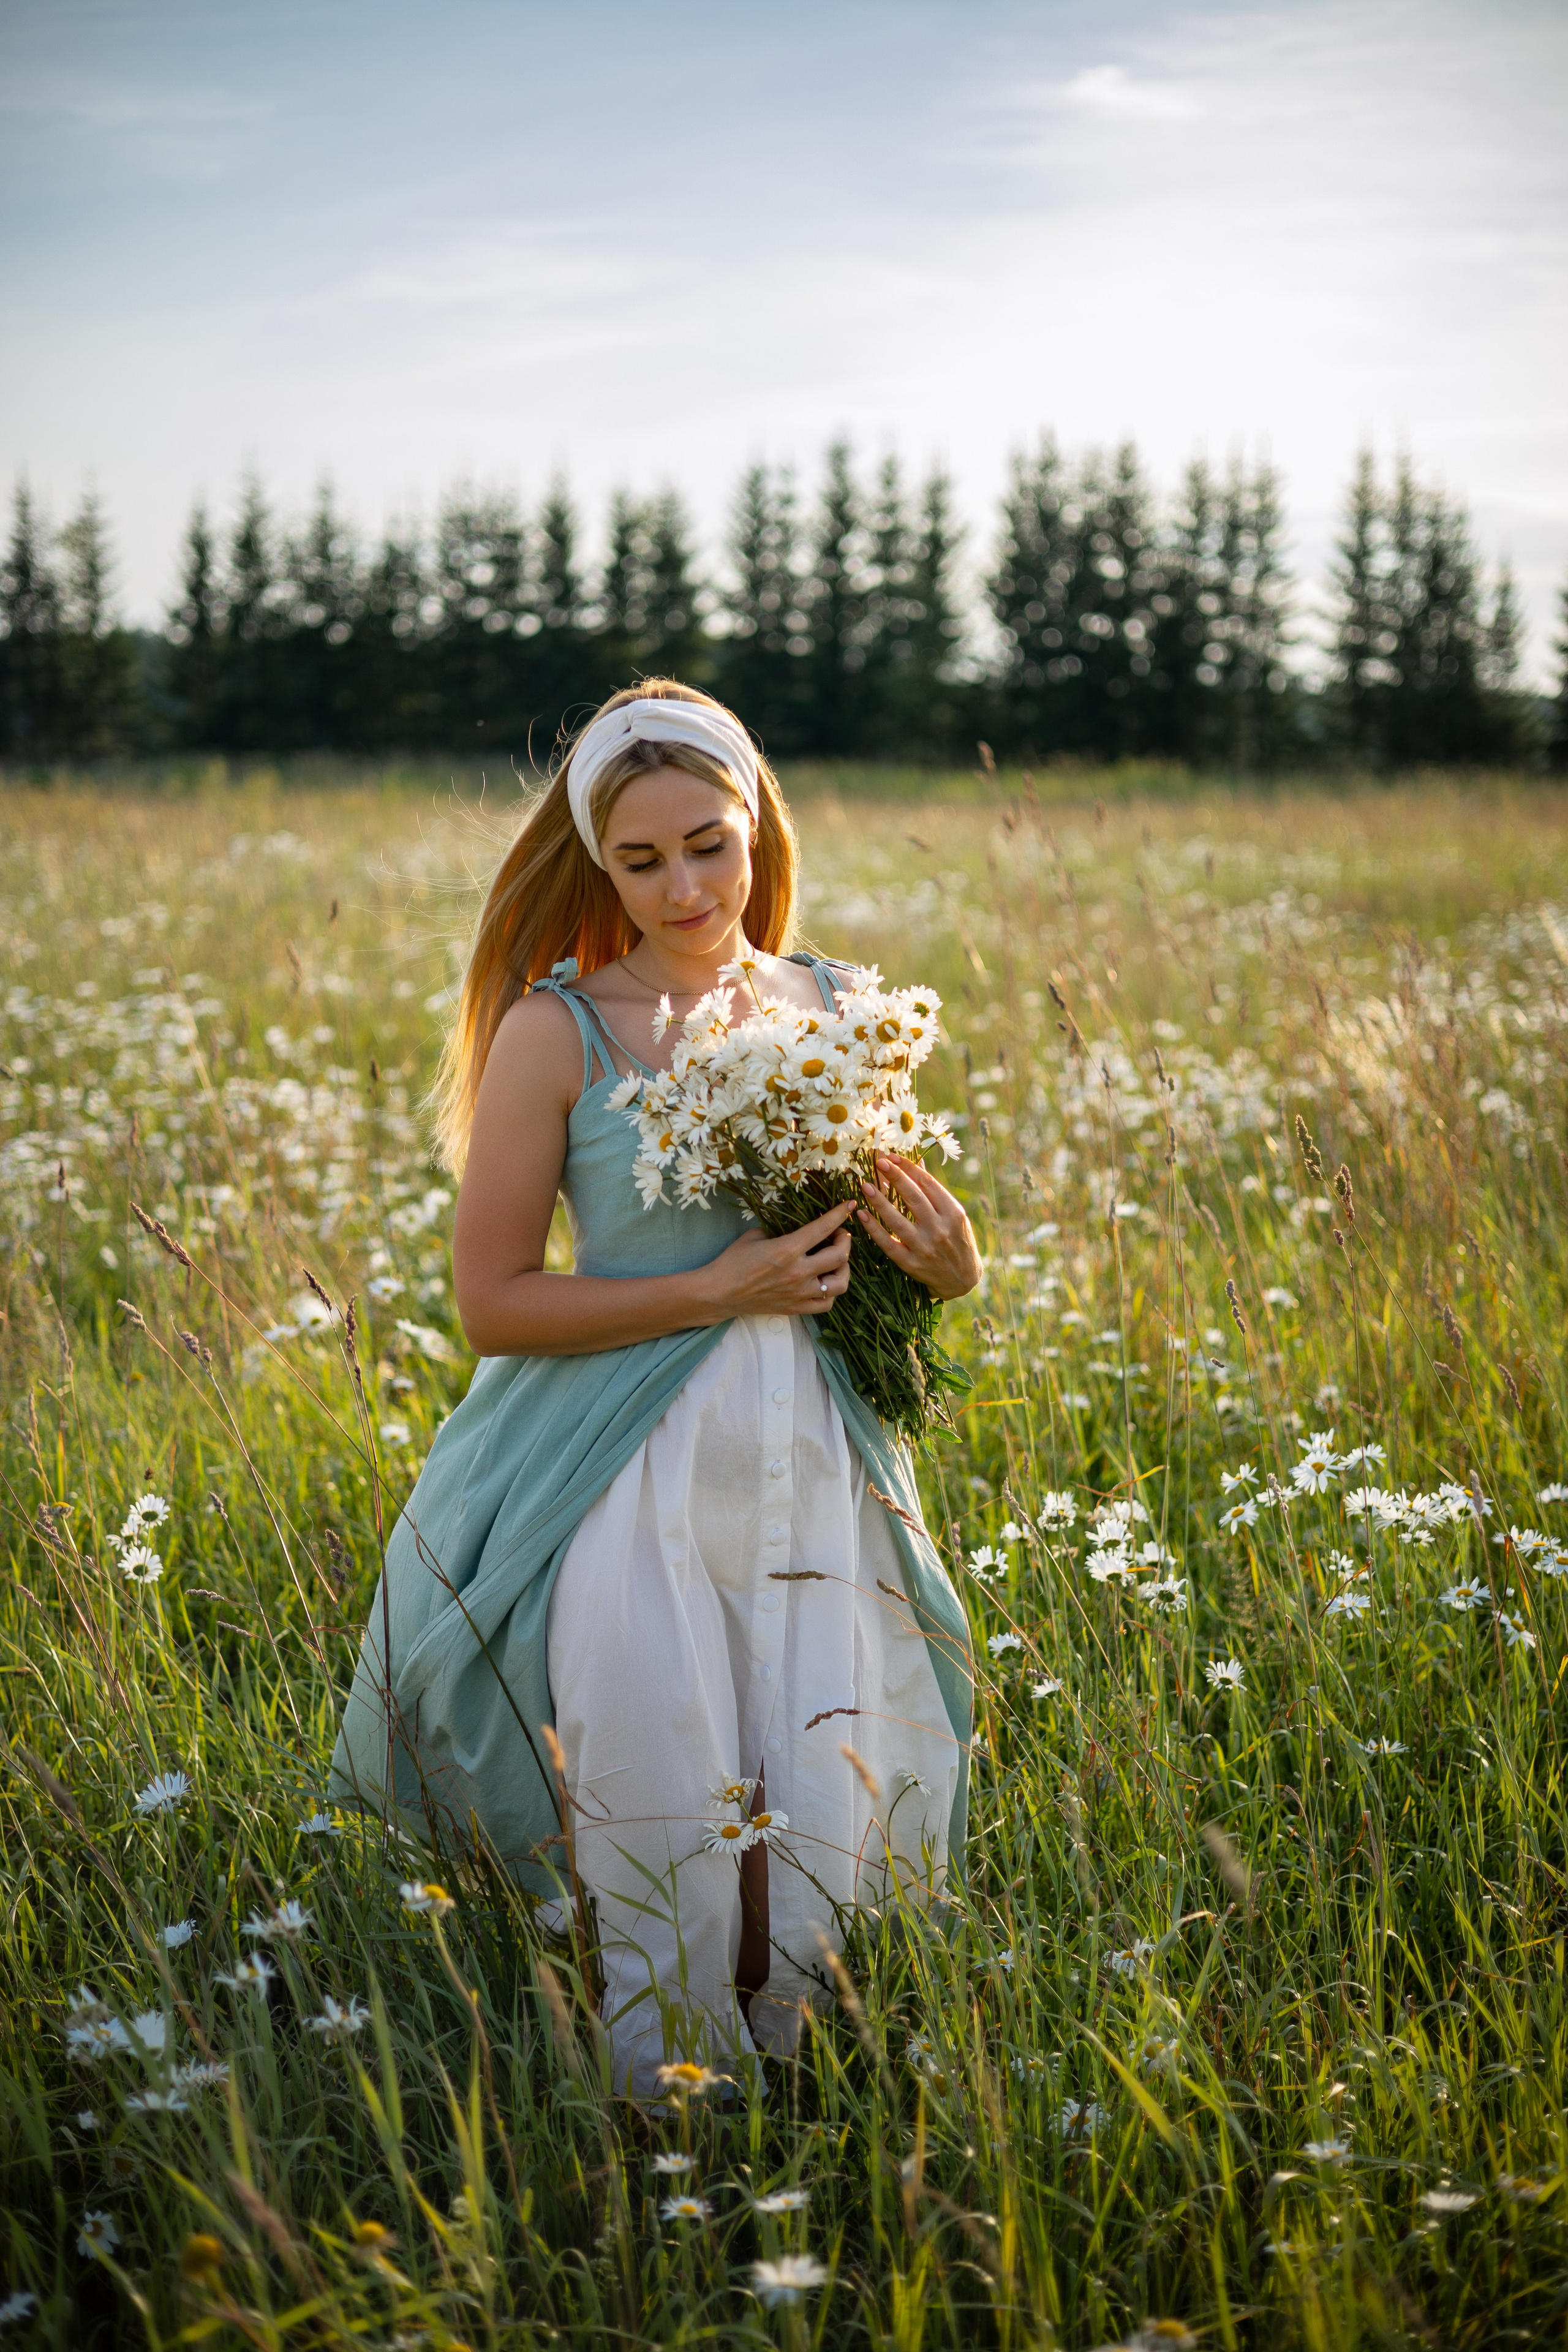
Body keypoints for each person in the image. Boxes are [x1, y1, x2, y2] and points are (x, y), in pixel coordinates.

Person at [331, 679, 980, 2095]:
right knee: (661, 1772)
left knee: (815, 1759)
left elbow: (868, 1250)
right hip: (624, 1460)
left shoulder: (840, 1008)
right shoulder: (555, 1030)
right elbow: (492, 1302)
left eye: (710, 842)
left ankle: (802, 2068)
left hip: (814, 1446)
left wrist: (950, 1266)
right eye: (640, 859)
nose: (683, 885)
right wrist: (713, 1288)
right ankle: (662, 2104)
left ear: (758, 827)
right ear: (596, 862)